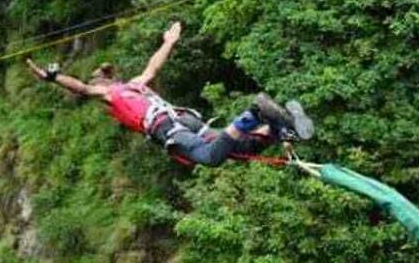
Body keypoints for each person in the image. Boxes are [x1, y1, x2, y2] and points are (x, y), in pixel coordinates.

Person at [26, 22, 313, 167]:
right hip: (185, 120)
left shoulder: (111, 92)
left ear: (103, 82)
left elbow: (82, 88)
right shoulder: (136, 83)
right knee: (240, 149)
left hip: (169, 129)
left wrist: (53, 78)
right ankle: (278, 127)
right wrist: (169, 42)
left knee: (211, 157)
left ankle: (254, 114)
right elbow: (154, 65)